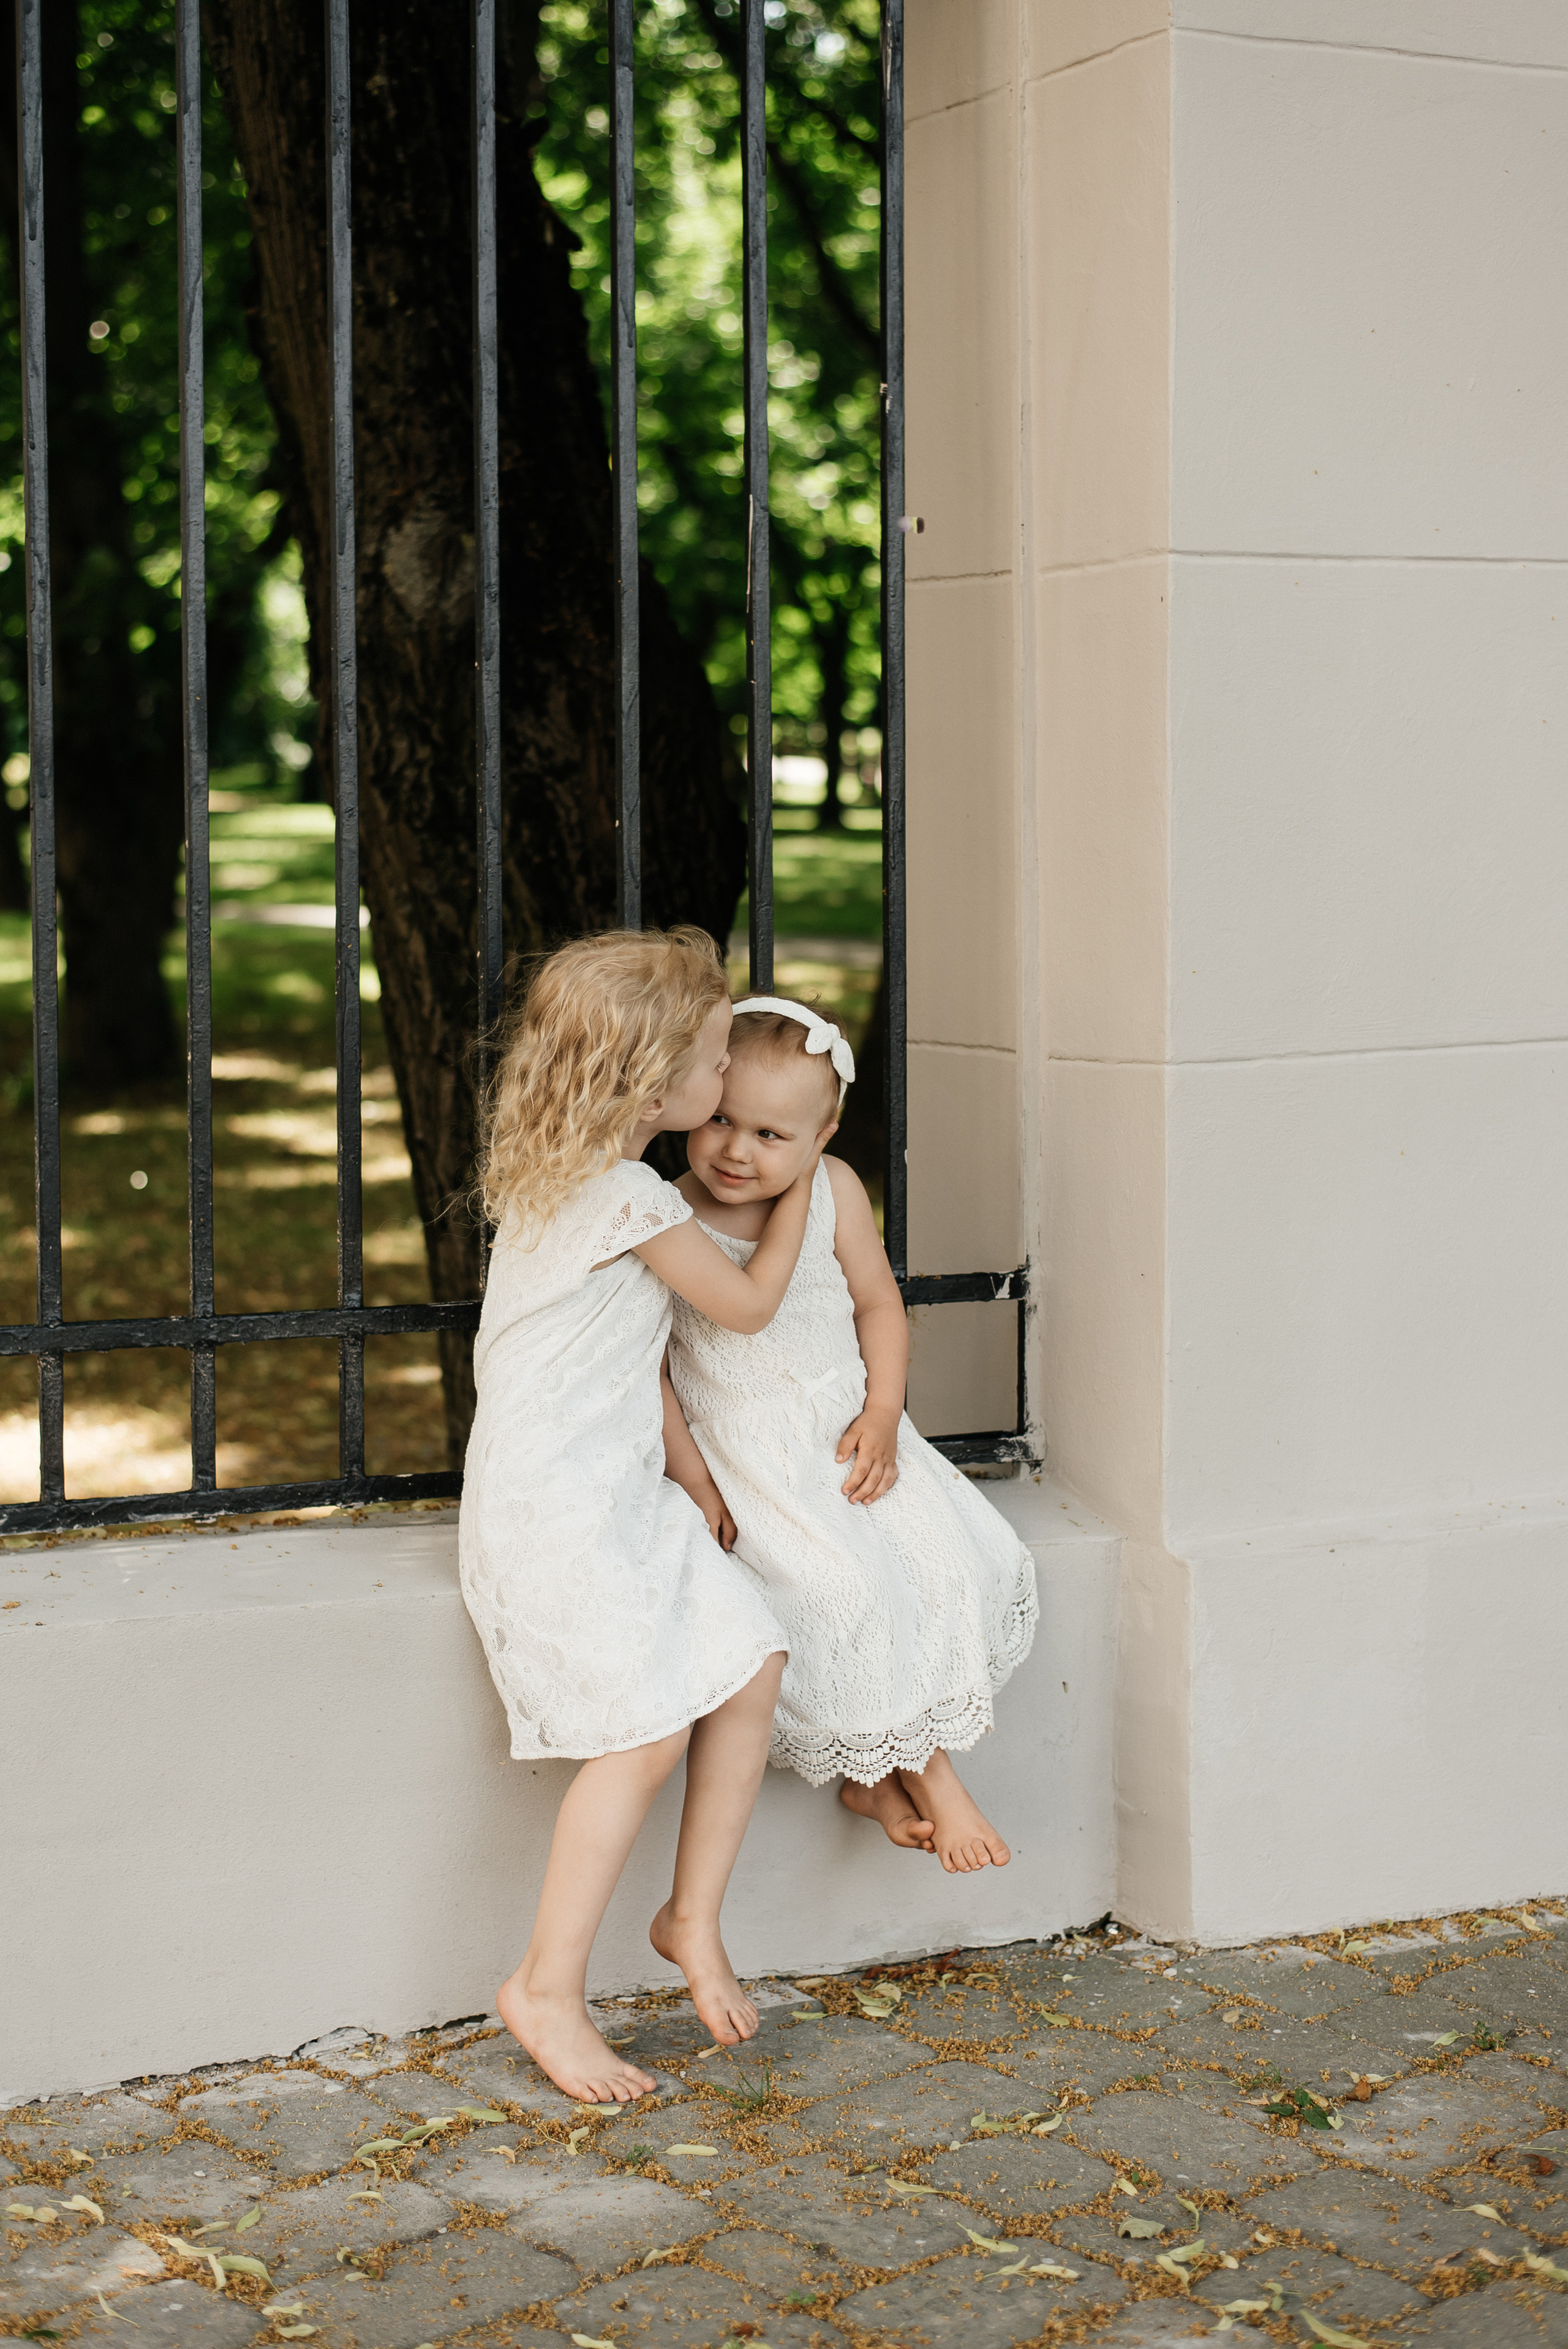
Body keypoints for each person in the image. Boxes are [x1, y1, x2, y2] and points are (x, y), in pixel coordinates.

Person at [459, 932, 824, 2105]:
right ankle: (546, 1989)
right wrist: (807, 1174)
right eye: (717, 1064)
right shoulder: (621, 1193)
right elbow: (748, 1308)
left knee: (751, 1655)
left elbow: (638, 1360)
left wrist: (698, 1482)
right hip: (555, 1508)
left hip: (619, 1488)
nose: (728, 1088)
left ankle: (688, 1918)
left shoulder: (569, 1174)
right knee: (643, 1733)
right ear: (655, 1082)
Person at [662, 996, 1038, 1874]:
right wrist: (701, 1485)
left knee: (942, 1567)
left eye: (768, 1135)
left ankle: (880, 1779)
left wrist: (882, 1415)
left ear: (823, 1134)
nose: (734, 1150)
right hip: (751, 1463)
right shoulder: (668, 1216)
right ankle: (936, 1784)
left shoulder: (834, 1192)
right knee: (842, 1589)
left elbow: (877, 1303)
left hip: (844, 1434)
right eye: (719, 1119)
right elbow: (657, 1376)